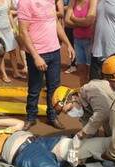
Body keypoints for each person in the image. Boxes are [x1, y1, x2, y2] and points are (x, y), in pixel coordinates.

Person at [17, 0, 75, 130]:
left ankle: (52, 116)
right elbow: (23, 32)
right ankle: (31, 117)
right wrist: (36, 56)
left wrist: (68, 44)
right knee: (34, 88)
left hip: (54, 51)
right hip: (37, 53)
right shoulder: (25, 2)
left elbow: (55, 24)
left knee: (54, 88)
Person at [65, 0, 97, 86]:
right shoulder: (73, 1)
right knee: (81, 71)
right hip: (77, 40)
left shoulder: (92, 1)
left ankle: (91, 94)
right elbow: (67, 21)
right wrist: (82, 23)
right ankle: (83, 93)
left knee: (92, 72)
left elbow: (89, 21)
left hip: (90, 41)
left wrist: (74, 18)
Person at [63, 0, 77, 74]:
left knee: (73, 44)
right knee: (70, 43)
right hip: (68, 23)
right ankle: (73, 63)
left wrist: (61, 8)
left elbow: (72, 6)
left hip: (74, 21)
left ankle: (73, 65)